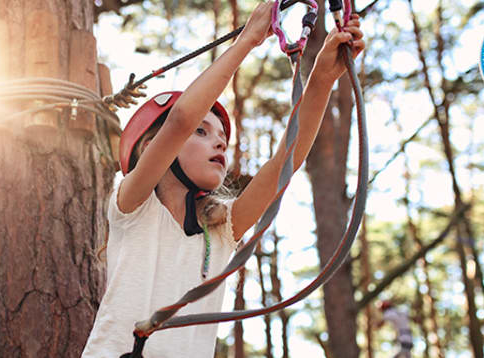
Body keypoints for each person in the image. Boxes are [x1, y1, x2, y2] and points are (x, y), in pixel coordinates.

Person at [82, 2, 365, 357]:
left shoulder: (219, 230)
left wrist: (322, 79)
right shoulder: (131, 204)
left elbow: (285, 162)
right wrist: (246, 40)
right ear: (152, 147)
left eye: (221, 137)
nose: (219, 141)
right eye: (202, 132)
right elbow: (180, 119)